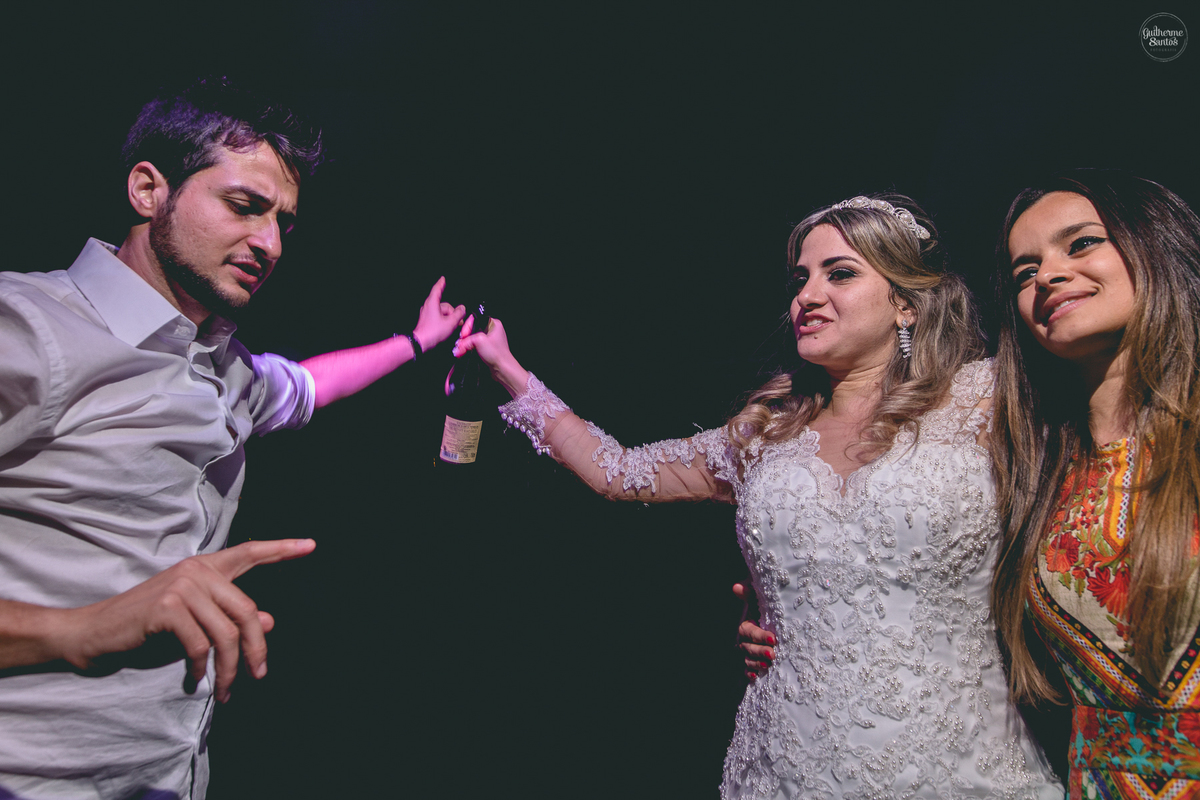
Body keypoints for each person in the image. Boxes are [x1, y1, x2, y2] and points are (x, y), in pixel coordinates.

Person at [456, 194, 1062, 798]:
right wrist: (507, 368)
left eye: (839, 274)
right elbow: (618, 471)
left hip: (955, 757)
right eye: (801, 279)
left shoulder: (986, 399)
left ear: (905, 302)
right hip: (787, 761)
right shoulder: (765, 434)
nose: (807, 296)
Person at [0, 78, 465, 799]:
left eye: (284, 223)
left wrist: (416, 341)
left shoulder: (225, 367)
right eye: (245, 206)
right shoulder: (29, 327)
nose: (270, 244)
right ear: (149, 190)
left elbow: (311, 384)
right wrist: (80, 629)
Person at [989, 170, 1200, 799]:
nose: (1047, 276)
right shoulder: (1031, 467)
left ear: (1152, 245)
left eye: (1080, 244)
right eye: (1025, 273)